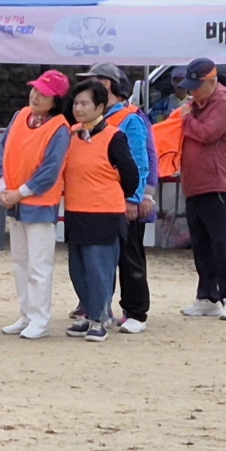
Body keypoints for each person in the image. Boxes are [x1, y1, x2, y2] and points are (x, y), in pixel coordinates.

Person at [62, 79, 141, 343]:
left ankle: (100, 317)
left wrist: (118, 195)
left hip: (104, 213)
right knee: (78, 268)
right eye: (76, 103)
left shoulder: (114, 136)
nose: (78, 108)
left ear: (100, 106)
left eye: (85, 103)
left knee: (99, 268)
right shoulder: (71, 134)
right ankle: (88, 312)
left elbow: (131, 175)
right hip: (75, 210)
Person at [0, 70, 70, 340]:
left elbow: (50, 171)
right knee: (20, 261)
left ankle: (40, 319)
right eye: (35, 90)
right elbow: (2, 151)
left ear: (57, 100)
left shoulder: (60, 128)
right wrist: (3, 185)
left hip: (39, 205)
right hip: (14, 200)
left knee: (39, 264)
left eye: (44, 93)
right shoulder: (20, 116)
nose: (36, 95)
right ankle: (26, 314)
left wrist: (20, 192)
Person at [85, 64, 156, 334]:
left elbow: (139, 160)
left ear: (107, 85)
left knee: (130, 257)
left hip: (122, 200)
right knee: (102, 256)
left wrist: (134, 198)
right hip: (101, 200)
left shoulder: (130, 118)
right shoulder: (97, 118)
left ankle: (136, 311)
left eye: (94, 82)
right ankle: (100, 306)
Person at [178, 58, 226, 320]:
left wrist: (186, 120)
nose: (191, 91)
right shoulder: (195, 106)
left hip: (217, 184)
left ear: (211, 81)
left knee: (223, 244)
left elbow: (208, 133)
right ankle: (207, 296)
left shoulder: (225, 104)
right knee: (201, 245)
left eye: (196, 86)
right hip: (194, 184)